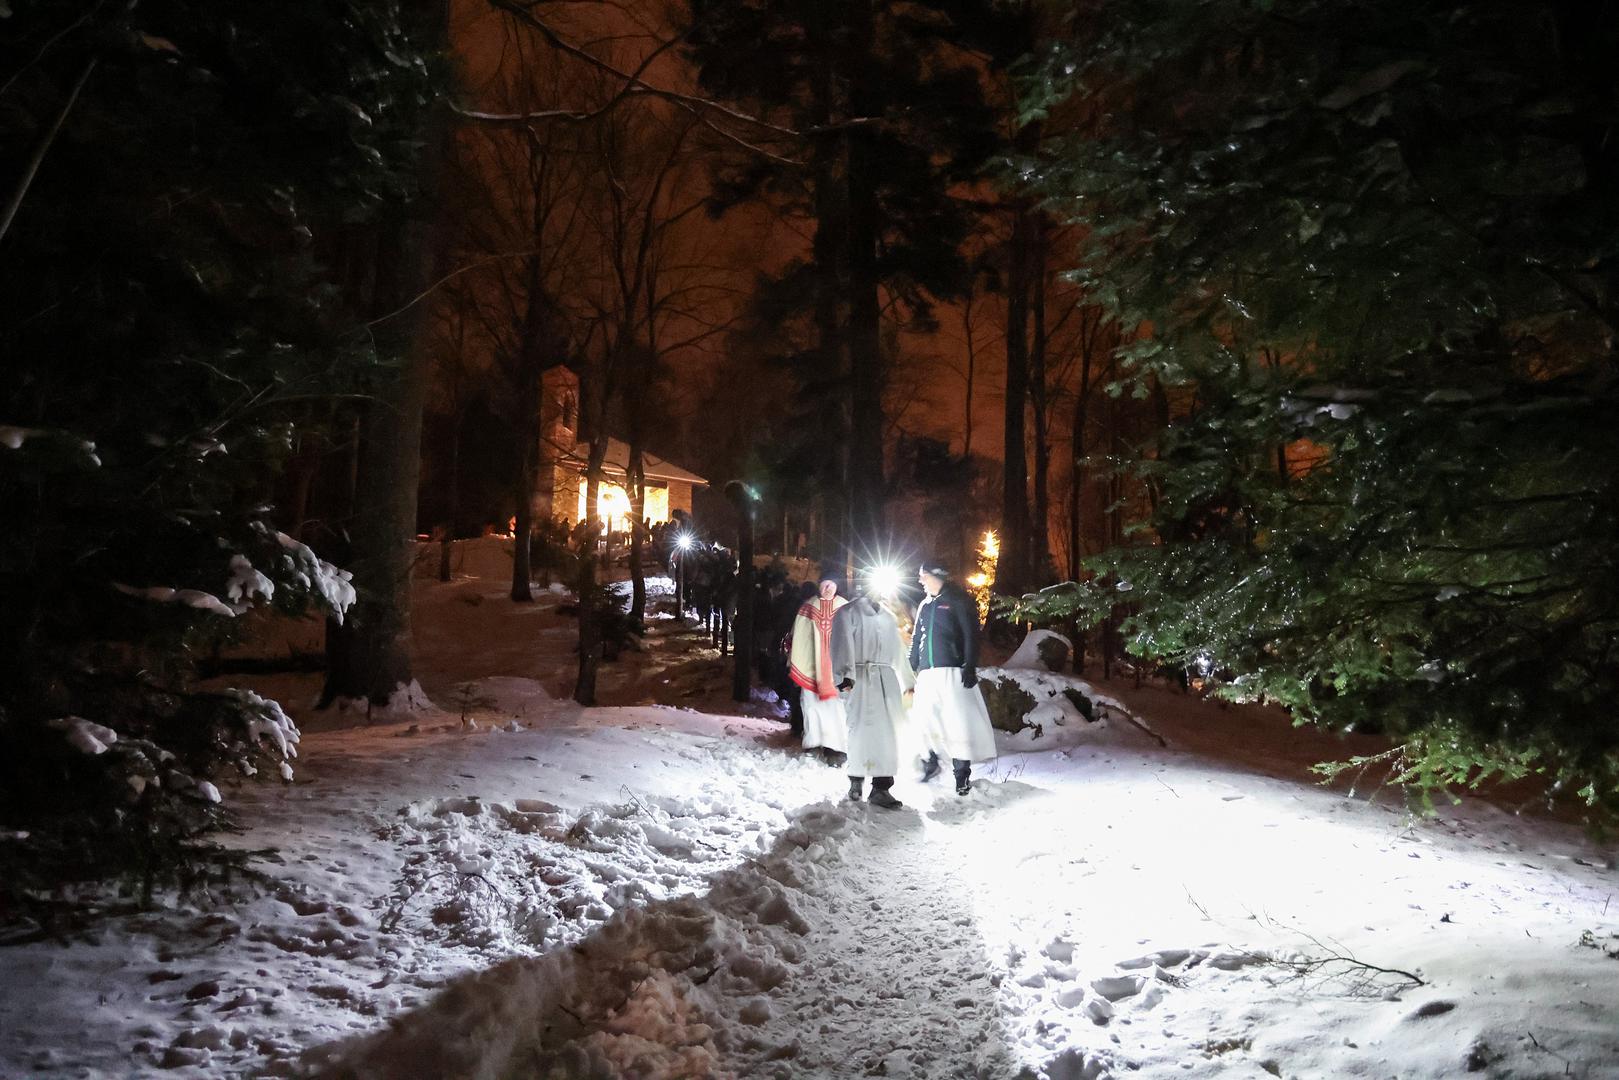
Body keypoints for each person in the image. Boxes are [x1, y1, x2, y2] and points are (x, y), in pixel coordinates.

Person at [909, 560, 997, 795]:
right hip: (928, 674)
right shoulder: (925, 605)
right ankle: (930, 762)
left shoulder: (958, 600)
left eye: (923, 575)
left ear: (937, 575)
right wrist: (912, 663)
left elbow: (971, 635)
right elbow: (917, 637)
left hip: (953, 671)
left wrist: (969, 666)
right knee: (923, 720)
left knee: (956, 723)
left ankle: (962, 777)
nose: (920, 580)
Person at [830, 580, 914, 809]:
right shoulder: (848, 613)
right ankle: (856, 780)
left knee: (887, 734)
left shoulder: (887, 617)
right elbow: (840, 644)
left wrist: (908, 681)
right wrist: (844, 675)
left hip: (885, 682)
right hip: (860, 679)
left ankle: (882, 786)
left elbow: (897, 651)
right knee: (859, 730)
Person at [788, 579, 848, 766]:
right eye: (824, 584)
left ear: (838, 586)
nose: (827, 588)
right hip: (812, 667)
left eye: (831, 584)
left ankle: (836, 747)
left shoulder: (846, 608)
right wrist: (797, 661)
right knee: (811, 706)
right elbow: (799, 637)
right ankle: (812, 743)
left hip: (836, 669)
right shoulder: (808, 607)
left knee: (836, 708)